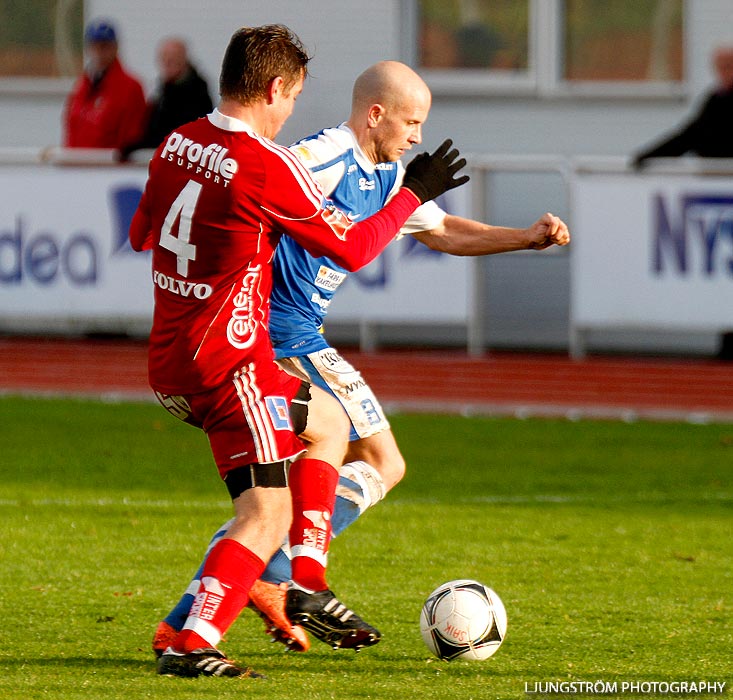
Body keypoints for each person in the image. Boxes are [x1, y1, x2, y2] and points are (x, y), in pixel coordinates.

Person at [151, 60, 570, 657]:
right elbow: (274, 193)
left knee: (291, 491)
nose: (418, 137)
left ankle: (225, 599)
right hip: (270, 334)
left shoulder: (389, 173)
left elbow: (441, 229)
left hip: (301, 334)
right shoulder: (320, 157)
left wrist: (525, 238)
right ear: (376, 114)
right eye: (412, 121)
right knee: (368, 459)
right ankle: (284, 579)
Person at [128, 25, 468, 679]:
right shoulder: (268, 164)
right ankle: (206, 636)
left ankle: (220, 617)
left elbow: (144, 230)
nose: (290, 114)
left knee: (328, 427)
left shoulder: (175, 143)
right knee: (266, 513)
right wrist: (411, 195)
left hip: (168, 358)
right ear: (275, 88)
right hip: (229, 364)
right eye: (292, 98)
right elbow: (353, 249)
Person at [632, 45, 733, 167]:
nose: (724, 72)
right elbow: (692, 135)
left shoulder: (719, 100)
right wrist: (647, 157)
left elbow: (693, 136)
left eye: (728, 66)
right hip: (716, 174)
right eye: (719, 67)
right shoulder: (716, 99)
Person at [62, 19, 147, 151]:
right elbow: (71, 129)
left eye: (104, 46)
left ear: (115, 47)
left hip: (108, 168)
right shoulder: (81, 86)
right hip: (77, 167)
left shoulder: (130, 88)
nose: (99, 52)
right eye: (94, 46)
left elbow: (131, 136)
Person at [122, 37, 213, 158]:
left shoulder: (197, 95)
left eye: (174, 58)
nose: (168, 62)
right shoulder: (162, 93)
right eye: (165, 58)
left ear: (184, 59)